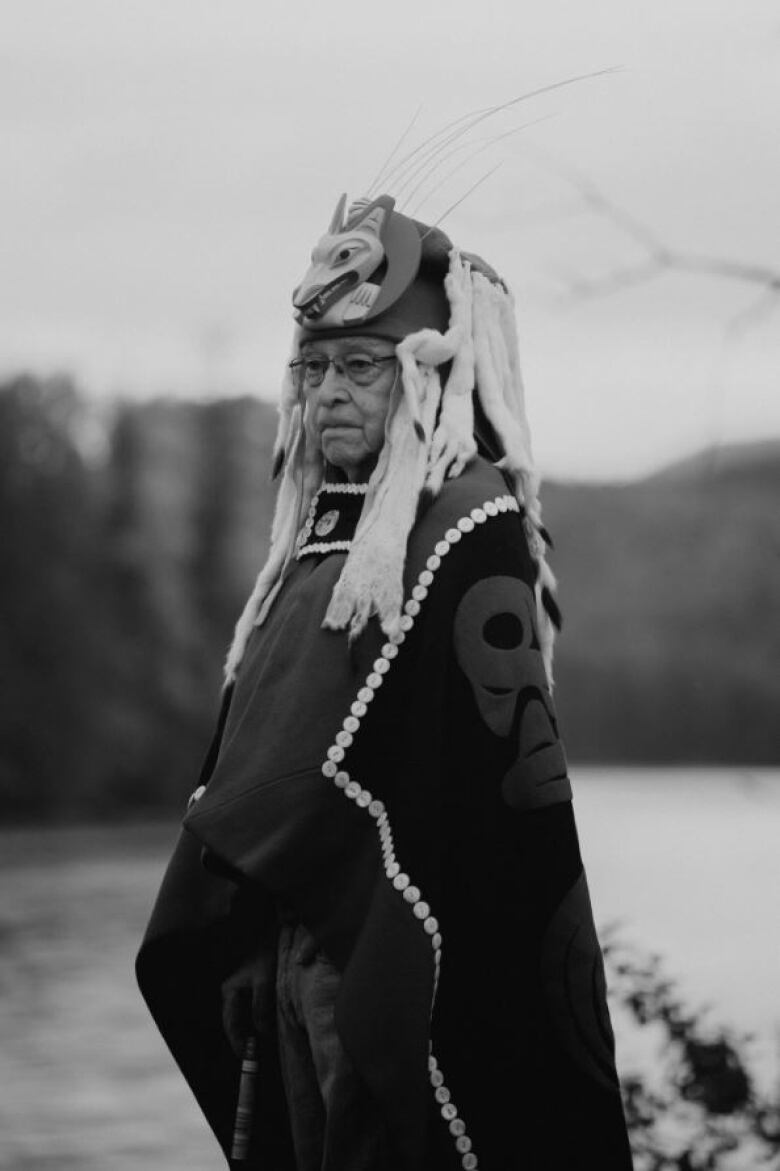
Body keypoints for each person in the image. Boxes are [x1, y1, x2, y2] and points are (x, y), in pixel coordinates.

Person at [137, 192, 634, 1170]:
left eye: (361, 367)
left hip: (396, 953)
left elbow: (453, 790)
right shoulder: (318, 539)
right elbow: (256, 753)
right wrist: (237, 928)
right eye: (311, 368)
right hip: (285, 945)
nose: (327, 394)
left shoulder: (467, 520)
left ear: (429, 373)